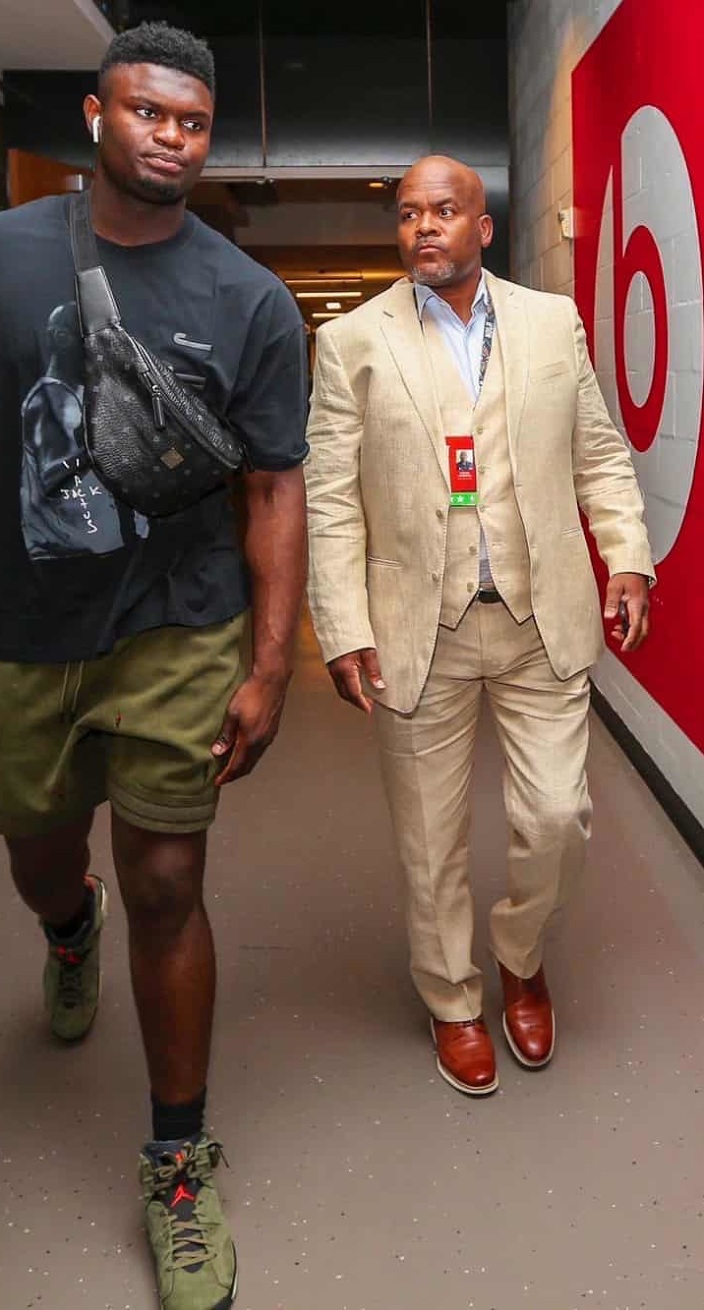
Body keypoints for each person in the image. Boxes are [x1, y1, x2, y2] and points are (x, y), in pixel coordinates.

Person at [0, 22, 308, 1309]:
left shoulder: (245, 300)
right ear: (98, 115)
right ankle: (64, 922)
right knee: (43, 844)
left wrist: (269, 662)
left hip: (177, 624)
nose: (170, 136)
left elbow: (272, 488)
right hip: (28, 632)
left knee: (166, 874)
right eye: (147, 111)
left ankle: (176, 1158)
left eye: (193, 122)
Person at [303, 154, 654, 1098]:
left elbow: (600, 455)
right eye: (410, 213)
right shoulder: (352, 345)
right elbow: (330, 499)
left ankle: (521, 953)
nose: (423, 227)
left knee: (556, 818)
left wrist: (626, 555)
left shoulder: (552, 324)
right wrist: (340, 623)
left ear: (483, 226)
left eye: (444, 211)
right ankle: (454, 999)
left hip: (542, 620)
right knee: (430, 837)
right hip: (423, 625)